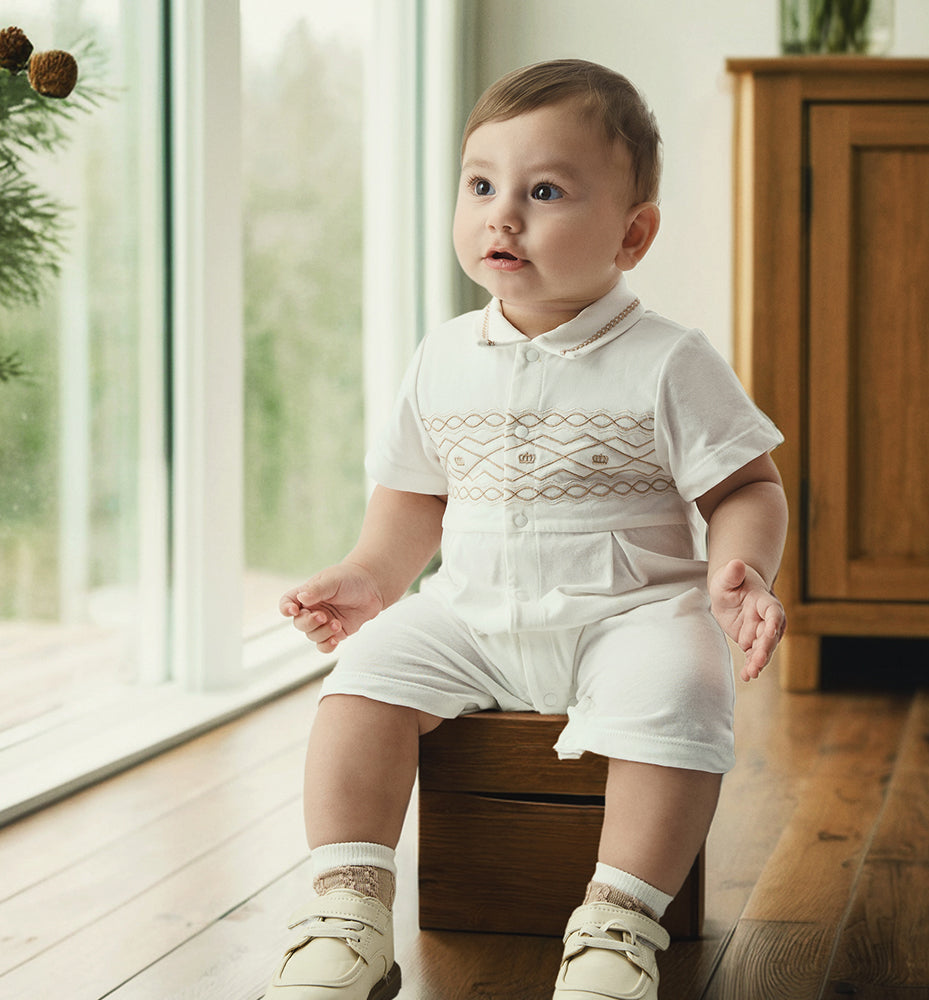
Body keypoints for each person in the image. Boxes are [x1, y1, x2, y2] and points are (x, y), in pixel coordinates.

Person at [263, 58, 787, 1000]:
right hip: (469, 614)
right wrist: (370, 577)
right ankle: (347, 911)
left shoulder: (669, 359)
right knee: (362, 685)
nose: (503, 214)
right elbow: (416, 496)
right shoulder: (442, 356)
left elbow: (747, 483)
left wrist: (739, 568)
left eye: (543, 191)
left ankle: (617, 924)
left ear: (632, 234)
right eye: (481, 185)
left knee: (682, 690)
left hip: (630, 612)